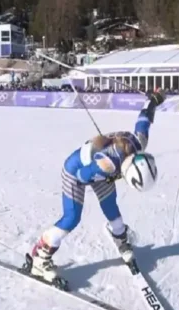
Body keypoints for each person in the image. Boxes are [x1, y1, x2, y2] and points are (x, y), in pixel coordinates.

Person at [23, 90, 166, 285]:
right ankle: (40, 256)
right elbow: (83, 177)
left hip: (101, 171)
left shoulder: (138, 143)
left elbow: (144, 119)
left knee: (111, 207)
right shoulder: (106, 165)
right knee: (72, 218)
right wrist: (107, 176)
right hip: (77, 171)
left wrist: (153, 100)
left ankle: (121, 240)